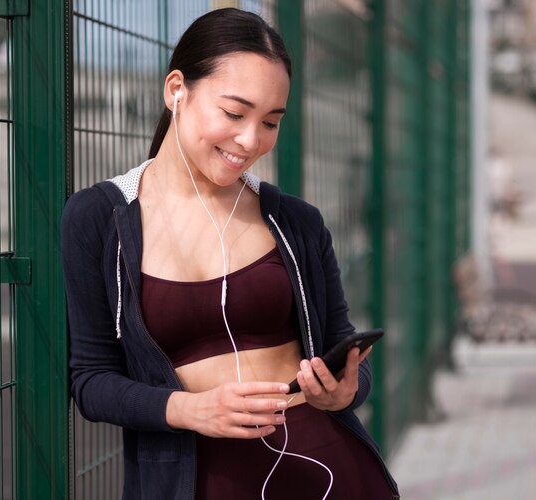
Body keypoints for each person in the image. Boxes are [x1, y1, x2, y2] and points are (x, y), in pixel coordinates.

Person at [62, 8, 399, 500]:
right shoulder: (98, 218)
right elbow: (91, 381)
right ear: (177, 89)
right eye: (235, 114)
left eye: (270, 122)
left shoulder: (294, 221)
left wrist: (347, 389)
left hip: (325, 470)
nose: (250, 140)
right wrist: (190, 409)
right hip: (194, 480)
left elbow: (343, 347)